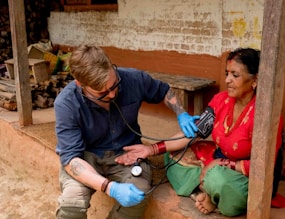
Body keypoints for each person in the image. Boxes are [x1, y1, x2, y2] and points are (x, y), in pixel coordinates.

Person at [115, 47, 284, 217]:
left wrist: (222, 164)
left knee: (218, 179)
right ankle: (207, 192)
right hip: (218, 160)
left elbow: (263, 166)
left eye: (235, 75)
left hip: (247, 176)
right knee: (173, 156)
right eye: (227, 73)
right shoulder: (221, 100)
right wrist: (150, 150)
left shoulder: (265, 116)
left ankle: (212, 195)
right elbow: (195, 133)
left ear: (255, 80)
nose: (227, 80)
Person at [54, 44, 199, 219]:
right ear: (80, 84)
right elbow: (70, 160)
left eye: (114, 85)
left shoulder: (133, 79)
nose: (112, 95)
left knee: (138, 194)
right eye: (102, 93)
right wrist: (110, 187)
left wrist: (181, 113)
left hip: (128, 153)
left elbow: (163, 91)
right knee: (72, 204)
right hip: (86, 157)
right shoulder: (66, 103)